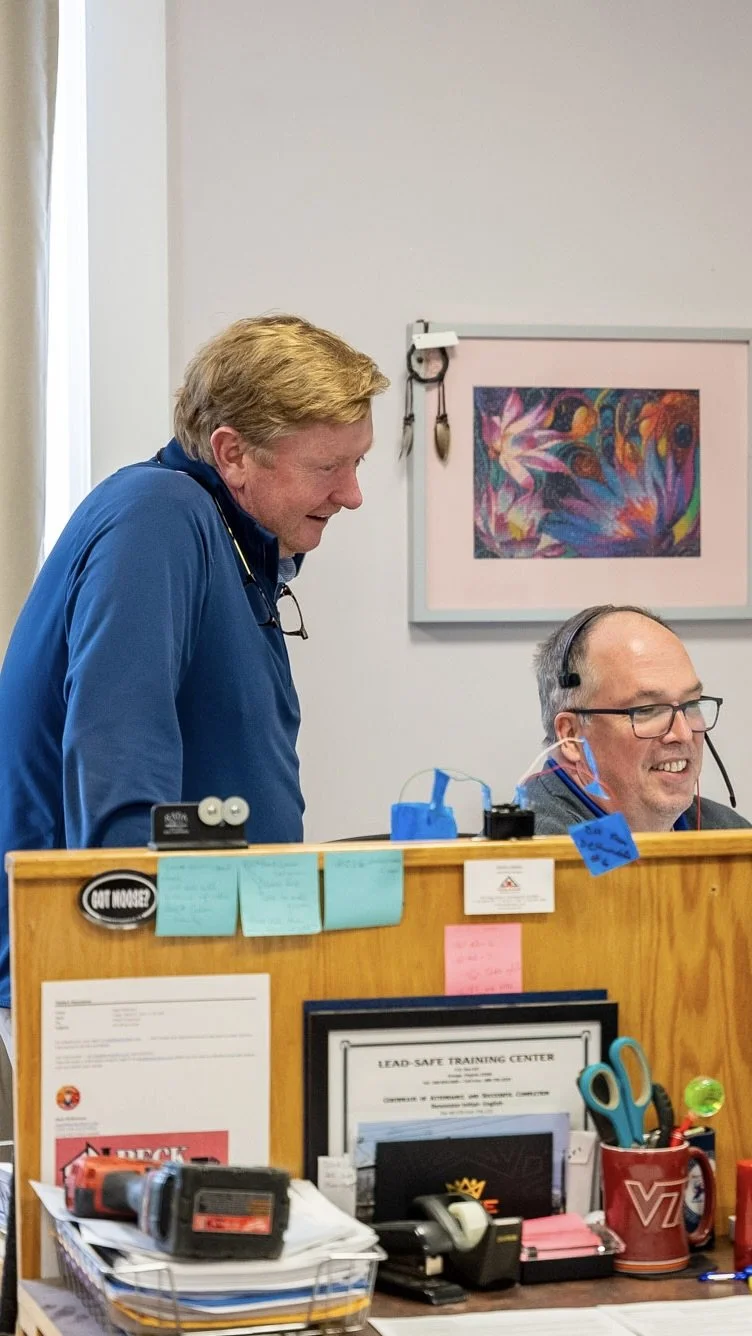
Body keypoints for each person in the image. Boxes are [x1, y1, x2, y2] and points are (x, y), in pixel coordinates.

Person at [0, 314, 389, 1032]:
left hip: (192, 964)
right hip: (123, 978)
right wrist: (152, 995)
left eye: (357, 463)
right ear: (232, 453)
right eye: (329, 467)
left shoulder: (222, 536)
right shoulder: (160, 515)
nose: (352, 493)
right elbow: (119, 775)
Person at [526, 604, 750, 835]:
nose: (683, 733)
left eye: (691, 704)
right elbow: (615, 867)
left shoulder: (729, 832)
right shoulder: (542, 857)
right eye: (648, 709)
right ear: (571, 737)